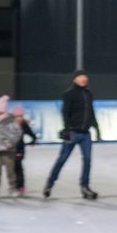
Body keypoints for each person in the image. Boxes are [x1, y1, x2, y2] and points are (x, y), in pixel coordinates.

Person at [44, 69, 100, 200]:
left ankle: (84, 186)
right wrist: (67, 129)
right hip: (73, 132)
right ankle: (49, 183)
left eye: (85, 76)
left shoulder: (89, 94)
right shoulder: (69, 94)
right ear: (75, 79)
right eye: (80, 77)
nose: (83, 79)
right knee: (62, 159)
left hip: (85, 134)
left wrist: (97, 128)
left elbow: (91, 112)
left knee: (87, 160)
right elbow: (65, 113)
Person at [12, 105, 37, 194]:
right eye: (17, 116)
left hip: (20, 150)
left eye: (21, 116)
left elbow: (32, 134)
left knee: (19, 166)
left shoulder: (24, 125)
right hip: (10, 150)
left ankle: (21, 185)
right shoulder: (10, 124)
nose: (19, 118)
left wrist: (33, 141)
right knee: (13, 167)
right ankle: (14, 184)